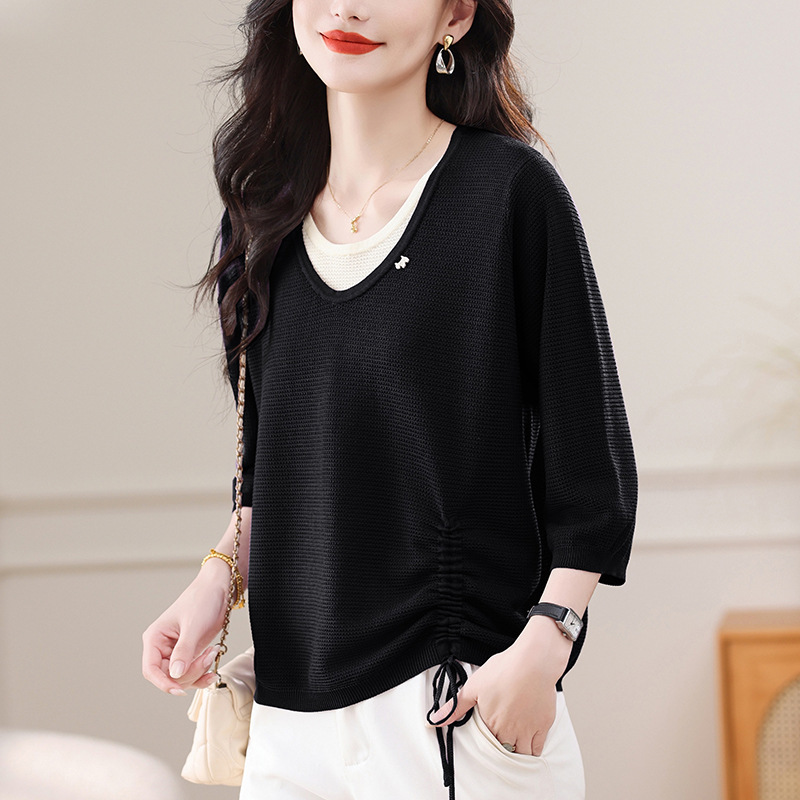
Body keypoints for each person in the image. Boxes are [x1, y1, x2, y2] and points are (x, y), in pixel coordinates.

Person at [142, 1, 638, 798]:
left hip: (455, 711)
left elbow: (593, 469)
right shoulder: (263, 216)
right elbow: (280, 472)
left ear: (455, 15)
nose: (348, 6)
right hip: (290, 725)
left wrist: (544, 649)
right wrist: (216, 581)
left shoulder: (508, 194)